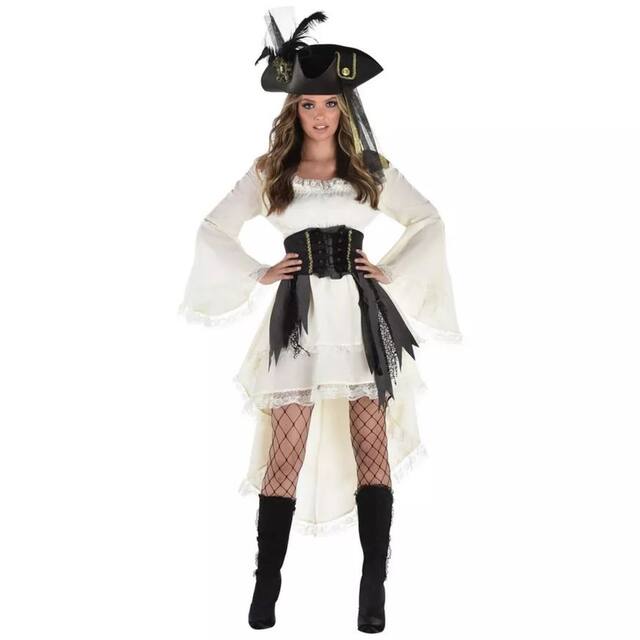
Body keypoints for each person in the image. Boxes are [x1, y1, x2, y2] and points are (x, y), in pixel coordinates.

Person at [178, 8, 463, 633]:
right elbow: (213, 228)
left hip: (359, 323)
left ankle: (373, 587)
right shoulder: (270, 172)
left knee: (371, 450)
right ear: (294, 109)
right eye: (309, 104)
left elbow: (429, 220)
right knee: (285, 453)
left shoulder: (370, 170)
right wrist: (258, 271)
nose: (320, 115)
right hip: (299, 325)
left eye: (331, 103)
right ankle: (266, 585)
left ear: (345, 107)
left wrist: (388, 268)